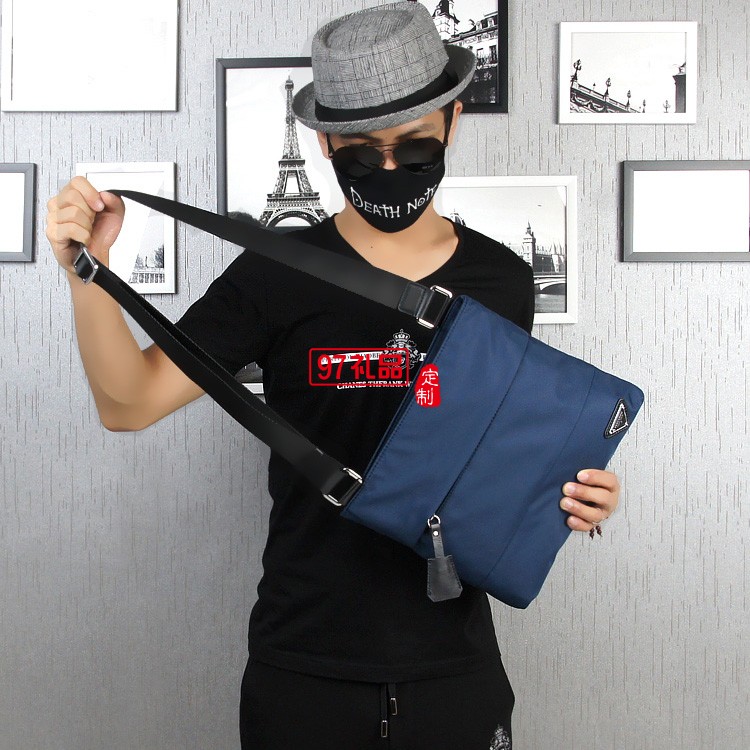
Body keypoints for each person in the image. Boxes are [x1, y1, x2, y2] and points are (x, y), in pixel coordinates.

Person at [46, 3, 621, 748]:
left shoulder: (503, 280)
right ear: (322, 143)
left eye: (414, 145)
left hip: (454, 662)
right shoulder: (272, 273)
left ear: (453, 121)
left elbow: (500, 453)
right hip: (305, 662)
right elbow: (129, 403)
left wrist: (579, 494)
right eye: (361, 152)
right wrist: (88, 272)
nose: (390, 169)